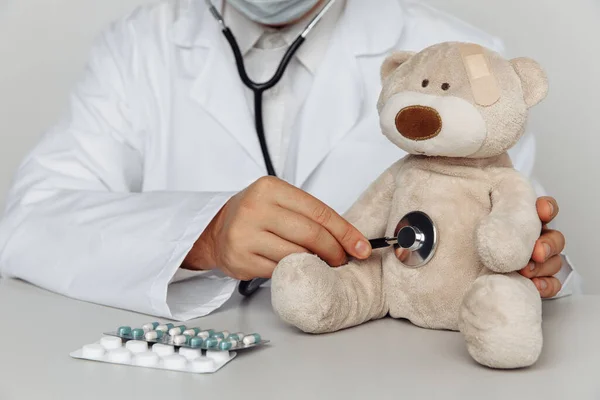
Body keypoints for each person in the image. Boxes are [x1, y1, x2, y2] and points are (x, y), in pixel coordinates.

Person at [0, 0, 575, 320]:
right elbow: (30, 219)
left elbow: (517, 230)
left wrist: (531, 264)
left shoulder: (458, 57)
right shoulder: (140, 46)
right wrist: (201, 235)